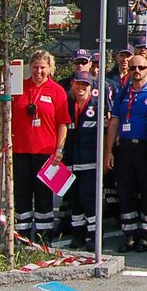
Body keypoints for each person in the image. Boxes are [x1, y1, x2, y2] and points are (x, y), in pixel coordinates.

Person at [105, 52, 147, 252]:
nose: (136, 71)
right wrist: (109, 151)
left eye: (140, 67)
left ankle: (146, 234)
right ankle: (130, 234)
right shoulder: (122, 92)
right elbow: (114, 122)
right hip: (125, 148)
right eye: (132, 68)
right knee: (126, 192)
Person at [12, 50, 69, 245]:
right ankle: (22, 235)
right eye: (35, 67)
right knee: (21, 195)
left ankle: (44, 237)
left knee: (44, 196)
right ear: (30, 67)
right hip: (19, 151)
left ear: (50, 68)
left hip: (46, 152)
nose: (38, 71)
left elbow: (63, 123)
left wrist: (59, 149)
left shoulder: (57, 90)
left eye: (42, 68)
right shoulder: (19, 88)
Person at [58, 71, 101, 249]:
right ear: (73, 84)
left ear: (91, 87)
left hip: (90, 161)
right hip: (70, 160)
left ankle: (94, 235)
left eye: (85, 85)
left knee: (88, 197)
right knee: (74, 198)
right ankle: (78, 235)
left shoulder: (97, 107)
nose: (81, 88)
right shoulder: (67, 105)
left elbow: (104, 134)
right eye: (78, 84)